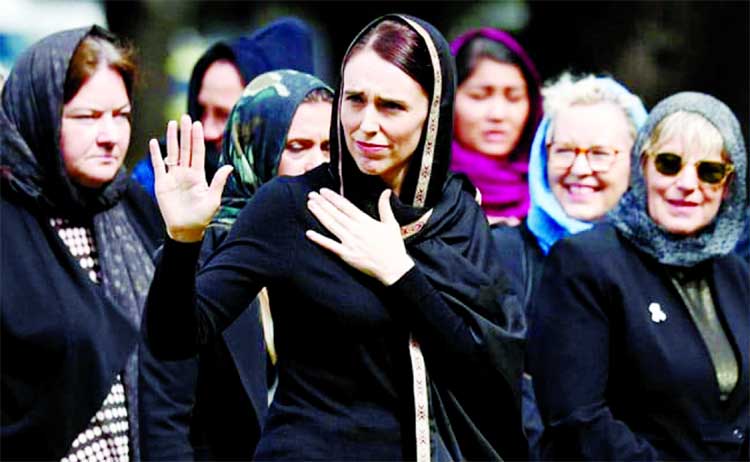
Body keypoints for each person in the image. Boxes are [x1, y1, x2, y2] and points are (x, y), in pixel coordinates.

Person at [144, 14, 527, 461]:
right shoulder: (291, 205)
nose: (365, 125)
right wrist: (183, 239)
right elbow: (176, 338)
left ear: (432, 114)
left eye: (391, 107)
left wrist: (401, 275)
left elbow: (488, 376)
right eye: (354, 100)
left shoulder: (456, 215)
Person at [528, 92, 749, 461]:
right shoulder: (587, 261)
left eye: (709, 171)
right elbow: (577, 419)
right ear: (641, 168)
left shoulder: (737, 275)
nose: (687, 184)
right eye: (669, 164)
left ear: (727, 187)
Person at [140, 69, 334, 460]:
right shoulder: (197, 257)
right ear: (256, 148)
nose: (317, 164)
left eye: (329, 147)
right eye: (296, 146)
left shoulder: (352, 246)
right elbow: (166, 424)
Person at [1, 26, 164, 460]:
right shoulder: (10, 223)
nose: (110, 135)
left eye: (122, 115)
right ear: (39, 114)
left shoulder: (133, 208)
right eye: (87, 117)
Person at [491, 72, 647, 460]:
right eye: (563, 151)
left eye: (599, 153)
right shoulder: (503, 253)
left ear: (637, 163)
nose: (579, 169)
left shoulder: (658, 264)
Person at [131, 16, 318, 197]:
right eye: (201, 110)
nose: (207, 131)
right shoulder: (159, 180)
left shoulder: (322, 186)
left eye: (224, 116)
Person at [450, 28, 543, 226]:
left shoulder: (553, 193)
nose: (498, 114)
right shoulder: (418, 193)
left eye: (514, 97)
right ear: (447, 100)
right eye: (479, 96)